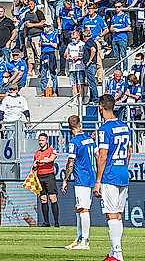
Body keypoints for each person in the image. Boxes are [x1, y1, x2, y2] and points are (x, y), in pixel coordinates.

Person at [94, 94, 130, 261]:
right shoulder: (125, 127)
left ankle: (118, 254)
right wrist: (123, 168)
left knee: (111, 214)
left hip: (110, 175)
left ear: (100, 108)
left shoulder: (104, 129)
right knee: (118, 214)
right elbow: (129, 152)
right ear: (114, 107)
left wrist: (97, 181)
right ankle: (113, 253)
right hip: (123, 173)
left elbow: (103, 156)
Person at [61, 115, 96, 250]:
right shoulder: (90, 139)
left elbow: (71, 163)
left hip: (82, 178)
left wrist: (65, 180)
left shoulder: (74, 142)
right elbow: (97, 156)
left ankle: (85, 242)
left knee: (83, 209)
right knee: (79, 208)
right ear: (80, 124)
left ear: (70, 127)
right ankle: (78, 238)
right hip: (91, 177)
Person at [33, 133, 59, 227]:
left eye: (42, 140)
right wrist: (34, 166)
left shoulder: (52, 150)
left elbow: (51, 159)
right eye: (39, 140)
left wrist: (39, 161)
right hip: (40, 176)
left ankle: (56, 222)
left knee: (52, 198)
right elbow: (34, 167)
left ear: (47, 141)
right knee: (43, 199)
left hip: (49, 176)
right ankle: (46, 222)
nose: (41, 142)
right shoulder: (37, 153)